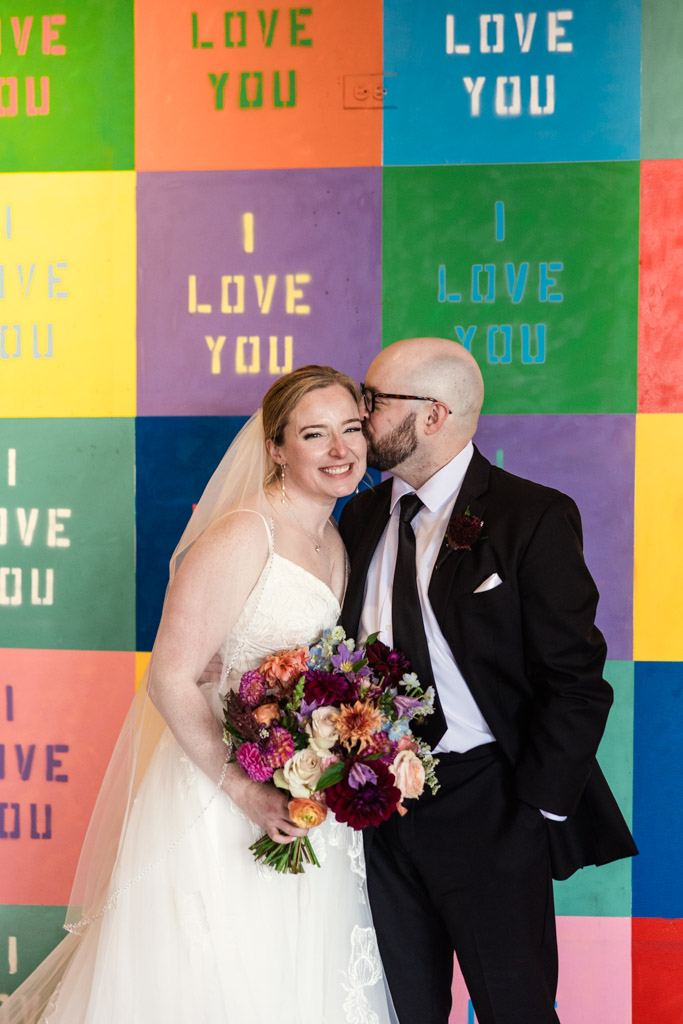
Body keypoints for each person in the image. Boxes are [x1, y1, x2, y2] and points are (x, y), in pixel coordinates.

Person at [0, 366, 396, 1024]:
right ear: (275, 448)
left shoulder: (334, 537)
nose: (339, 451)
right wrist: (242, 788)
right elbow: (170, 675)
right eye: (314, 434)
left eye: (351, 430)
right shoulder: (246, 534)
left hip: (300, 797)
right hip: (221, 794)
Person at [338, 337, 638, 1024]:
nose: (361, 415)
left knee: (514, 1009)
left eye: (375, 400)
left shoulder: (529, 516)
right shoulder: (357, 517)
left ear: (434, 414)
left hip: (491, 802)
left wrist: (534, 810)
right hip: (376, 811)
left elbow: (575, 680)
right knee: (395, 1010)